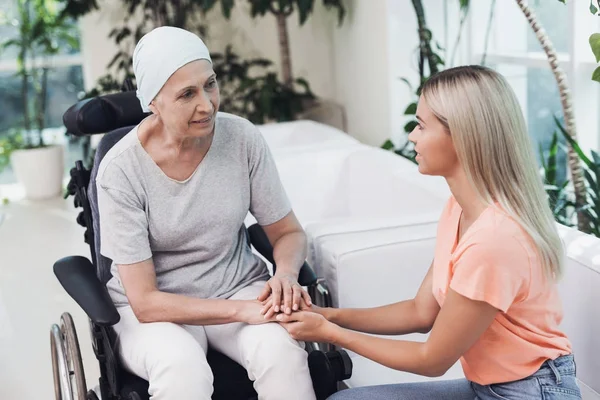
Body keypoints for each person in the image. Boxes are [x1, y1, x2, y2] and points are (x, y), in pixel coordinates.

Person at [268, 65, 582, 400]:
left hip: (533, 391)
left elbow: (432, 359)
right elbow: (420, 312)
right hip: (488, 388)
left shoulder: (494, 240)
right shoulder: (459, 209)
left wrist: (331, 332)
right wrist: (326, 315)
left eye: (420, 125)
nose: (411, 136)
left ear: (462, 135)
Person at [95, 26, 316, 400]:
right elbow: (145, 302)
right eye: (187, 94)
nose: (208, 104)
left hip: (236, 286)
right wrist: (239, 312)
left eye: (210, 84)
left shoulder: (241, 138)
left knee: (282, 353)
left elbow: (288, 233)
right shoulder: (121, 171)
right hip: (157, 309)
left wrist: (287, 275)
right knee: (182, 370)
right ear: (153, 102)